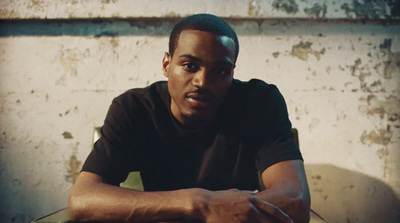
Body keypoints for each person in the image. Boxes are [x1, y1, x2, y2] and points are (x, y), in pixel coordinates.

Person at [68, 13, 310, 223]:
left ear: (232, 73)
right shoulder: (134, 108)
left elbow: (294, 200)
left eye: (220, 71)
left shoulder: (259, 102)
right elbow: (83, 200)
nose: (203, 82)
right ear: (166, 64)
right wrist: (199, 202)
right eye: (190, 65)